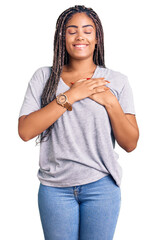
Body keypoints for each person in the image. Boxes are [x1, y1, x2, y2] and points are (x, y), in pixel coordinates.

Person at [18, 5, 139, 240]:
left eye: (87, 30)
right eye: (71, 30)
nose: (80, 36)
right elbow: (25, 131)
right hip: (54, 189)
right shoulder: (44, 77)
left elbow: (130, 143)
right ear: (61, 38)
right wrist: (71, 96)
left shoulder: (117, 81)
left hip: (101, 186)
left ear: (97, 38)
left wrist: (111, 103)